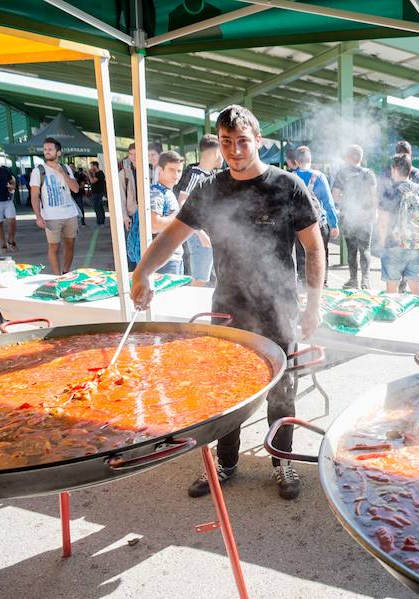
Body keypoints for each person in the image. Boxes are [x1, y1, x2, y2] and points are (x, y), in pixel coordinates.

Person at [130, 104, 324, 500]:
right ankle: (226, 462)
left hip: (278, 307)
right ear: (219, 144)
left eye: (242, 141)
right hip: (229, 308)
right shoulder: (209, 190)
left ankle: (282, 462)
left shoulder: (286, 185)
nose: (234, 150)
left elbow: (314, 247)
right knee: (226, 390)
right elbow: (171, 238)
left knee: (282, 390)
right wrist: (141, 272)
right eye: (226, 142)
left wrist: (314, 302)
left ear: (258, 141)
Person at [378, 154, 419, 297]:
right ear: (410, 170)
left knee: (392, 287)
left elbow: (383, 221)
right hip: (417, 245)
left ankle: (394, 317)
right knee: (415, 285)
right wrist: (417, 235)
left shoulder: (389, 192)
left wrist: (383, 242)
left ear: (394, 170)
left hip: (394, 245)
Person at [173, 134, 221, 283]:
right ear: (215, 153)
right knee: (199, 279)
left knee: (207, 277)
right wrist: (200, 233)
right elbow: (183, 203)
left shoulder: (212, 175)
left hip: (209, 233)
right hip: (200, 235)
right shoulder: (196, 174)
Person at [30, 138, 80, 274]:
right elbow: (34, 195)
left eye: (50, 149)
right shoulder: (38, 171)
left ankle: (65, 272)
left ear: (58, 153)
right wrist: (38, 216)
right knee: (54, 247)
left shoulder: (66, 168)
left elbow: (75, 189)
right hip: (51, 217)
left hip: (70, 214)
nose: (47, 152)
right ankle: (57, 276)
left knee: (70, 245)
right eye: (45, 149)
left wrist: (62, 173)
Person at [332, 144, 377, 289]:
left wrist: (345, 203)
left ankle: (353, 280)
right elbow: (374, 196)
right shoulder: (369, 173)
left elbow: (335, 195)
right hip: (365, 217)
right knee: (365, 249)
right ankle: (366, 281)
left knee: (352, 250)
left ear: (349, 157)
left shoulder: (342, 173)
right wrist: (374, 212)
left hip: (349, 217)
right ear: (360, 157)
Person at [293, 145, 338, 287]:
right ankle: (322, 284)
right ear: (310, 159)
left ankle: (302, 284)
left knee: (301, 257)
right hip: (319, 225)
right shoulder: (319, 177)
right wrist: (334, 224)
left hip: (298, 225)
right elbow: (328, 202)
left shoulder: (291, 177)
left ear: (296, 161)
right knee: (320, 254)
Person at [145, 151, 185, 274]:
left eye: (179, 171)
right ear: (160, 170)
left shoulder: (167, 191)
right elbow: (154, 225)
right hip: (165, 259)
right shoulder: (156, 192)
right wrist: (180, 213)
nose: (176, 174)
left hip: (173, 256)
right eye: (171, 170)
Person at [119, 142, 138, 234]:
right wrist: (125, 217)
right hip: (132, 214)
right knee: (132, 246)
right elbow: (121, 197)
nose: (134, 157)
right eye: (131, 154)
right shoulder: (124, 173)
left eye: (136, 154)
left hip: (149, 213)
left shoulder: (150, 171)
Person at [88, 160, 106, 226]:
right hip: (97, 192)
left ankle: (100, 222)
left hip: (98, 193)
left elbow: (92, 181)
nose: (90, 168)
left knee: (97, 207)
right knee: (99, 207)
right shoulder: (97, 173)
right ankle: (101, 221)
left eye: (91, 166)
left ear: (95, 166)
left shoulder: (99, 173)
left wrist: (89, 173)